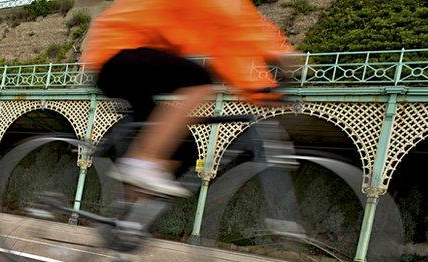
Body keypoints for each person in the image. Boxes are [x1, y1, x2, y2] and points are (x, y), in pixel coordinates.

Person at [81, 0, 293, 198]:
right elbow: (233, 21)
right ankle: (142, 162)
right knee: (198, 80)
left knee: (181, 149)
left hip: (127, 60)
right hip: (117, 50)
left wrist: (256, 88)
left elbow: (225, 45)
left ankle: (126, 224)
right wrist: (274, 53)